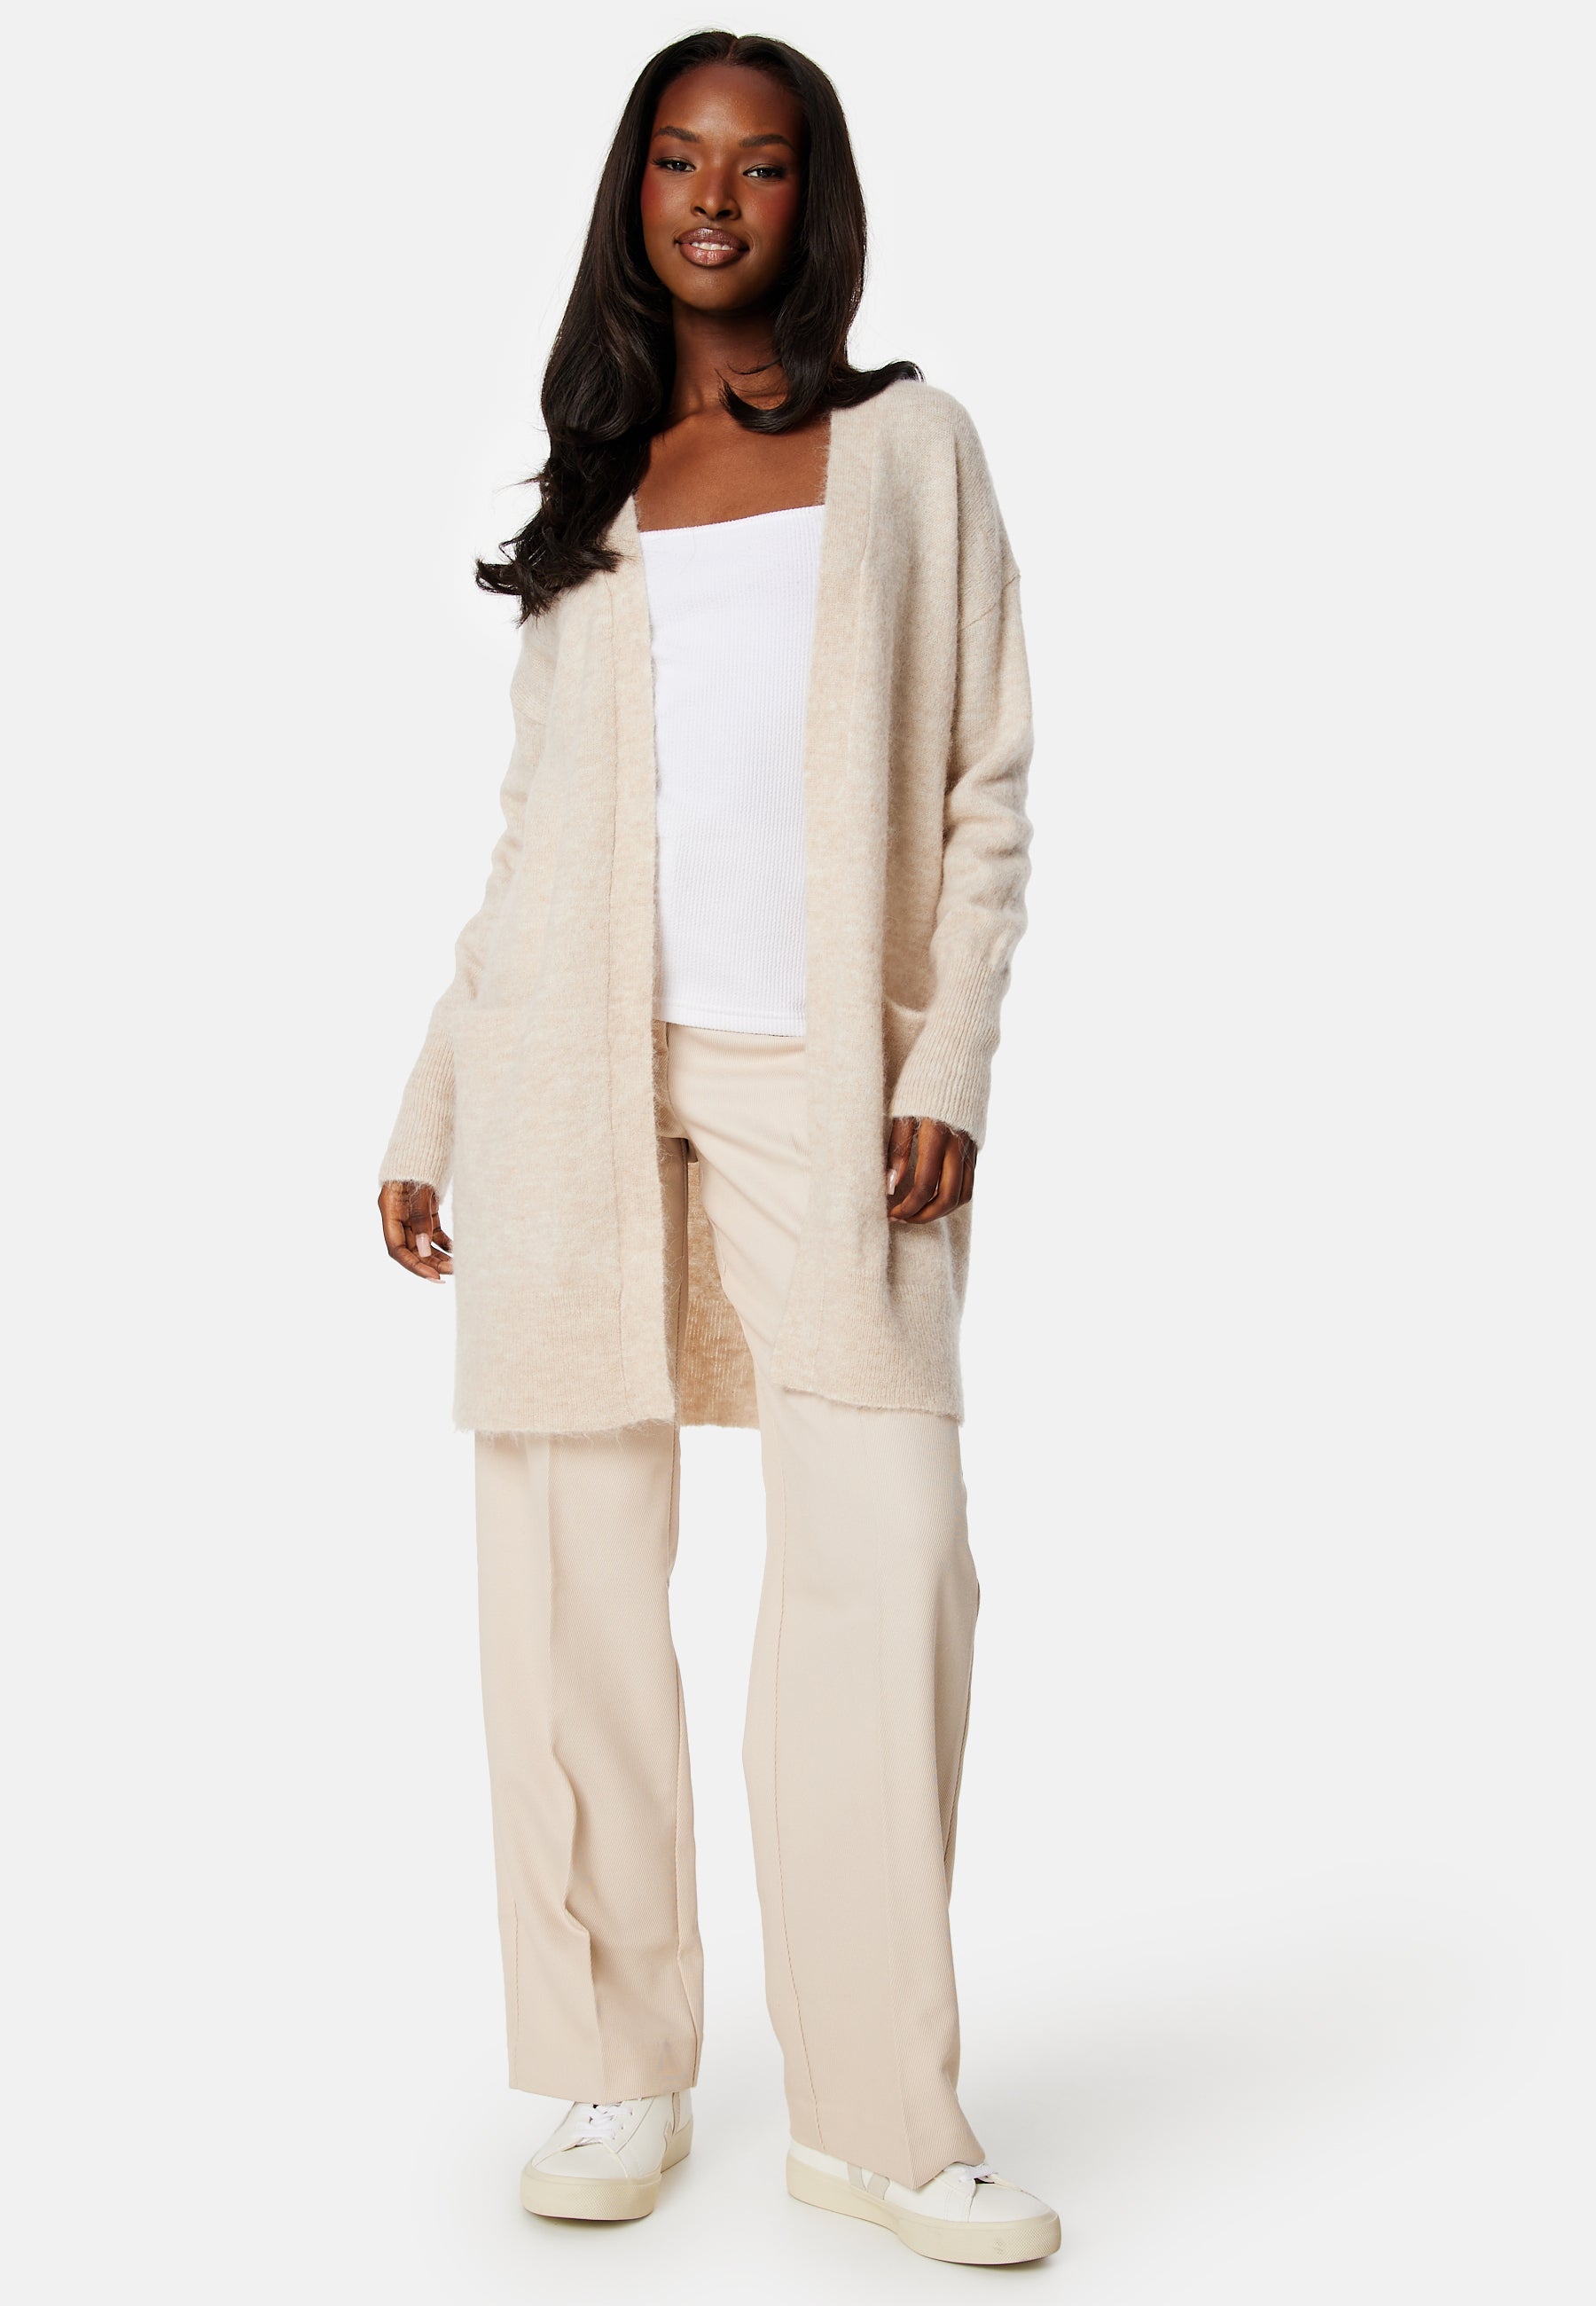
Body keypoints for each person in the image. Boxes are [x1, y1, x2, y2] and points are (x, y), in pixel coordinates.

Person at [377, 28, 1052, 2267]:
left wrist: (946, 1061)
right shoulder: (593, 491)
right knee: (569, 1572)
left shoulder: (912, 450)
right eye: (678, 159)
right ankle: (617, 2058)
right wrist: (438, 1094)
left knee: (892, 1555)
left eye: (758, 166)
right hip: (571, 1071)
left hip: (825, 1084)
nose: (713, 198)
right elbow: (533, 840)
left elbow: (983, 784)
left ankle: (876, 2108)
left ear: (810, 201)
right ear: (635, 192)